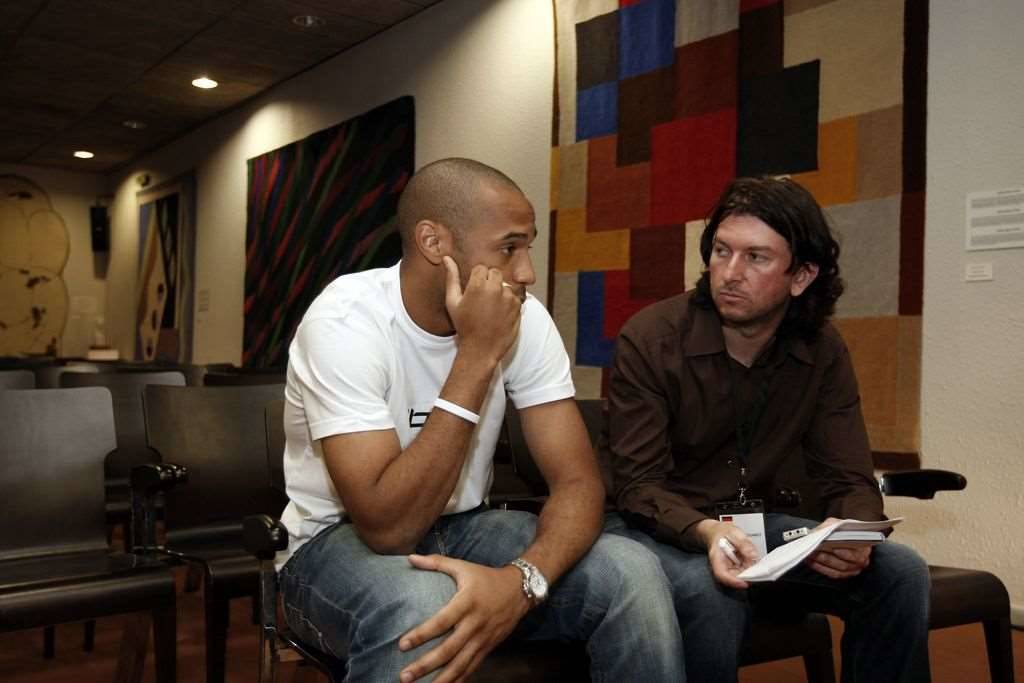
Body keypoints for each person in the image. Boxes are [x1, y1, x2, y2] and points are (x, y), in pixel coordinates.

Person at [277, 158, 683, 682]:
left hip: (465, 525)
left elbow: (579, 483)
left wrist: (523, 580)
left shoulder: (524, 315)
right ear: (434, 242)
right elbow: (388, 527)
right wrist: (476, 356)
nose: (527, 273)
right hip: (332, 543)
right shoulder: (345, 321)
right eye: (509, 247)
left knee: (631, 570)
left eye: (528, 246)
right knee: (421, 602)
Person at [601, 176, 931, 683]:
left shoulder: (822, 350)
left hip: (757, 532)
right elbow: (638, 487)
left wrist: (851, 532)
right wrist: (707, 531)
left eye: (755, 258)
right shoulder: (652, 339)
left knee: (899, 573)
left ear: (801, 276)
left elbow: (850, 478)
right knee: (712, 589)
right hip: (662, 530)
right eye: (721, 251)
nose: (729, 273)